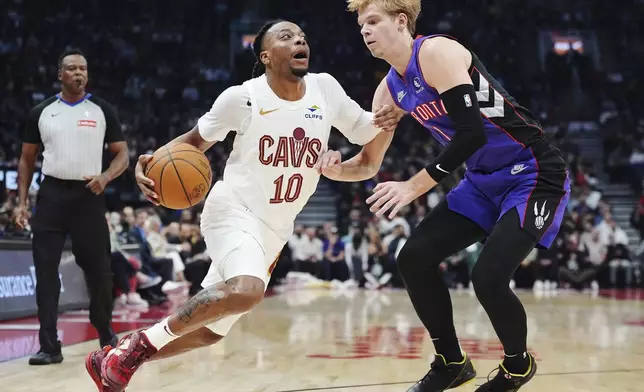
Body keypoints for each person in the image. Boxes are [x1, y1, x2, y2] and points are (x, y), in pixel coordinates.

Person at [84, 20, 401, 392]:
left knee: (208, 334)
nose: (299, 39)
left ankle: (114, 356)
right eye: (286, 36)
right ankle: (138, 345)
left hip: (275, 231)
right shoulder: (243, 97)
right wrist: (150, 161)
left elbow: (368, 133)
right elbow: (190, 146)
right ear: (265, 56)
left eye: (302, 36)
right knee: (248, 290)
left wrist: (399, 102)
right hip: (233, 211)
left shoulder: (325, 89)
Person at [318, 1, 571, 391]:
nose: (364, 31)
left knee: (487, 277)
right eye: (360, 25)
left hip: (533, 170)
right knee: (413, 257)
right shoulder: (388, 91)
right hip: (482, 180)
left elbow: (472, 134)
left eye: (373, 21)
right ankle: (451, 362)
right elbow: (368, 164)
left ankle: (517, 367)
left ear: (401, 21)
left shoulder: (437, 52)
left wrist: (414, 185)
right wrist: (335, 169)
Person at [14, 49, 129, 365]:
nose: (79, 73)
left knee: (101, 272)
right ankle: (49, 346)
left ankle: (105, 335)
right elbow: (25, 160)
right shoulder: (42, 111)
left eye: (83, 69)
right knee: (46, 272)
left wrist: (105, 177)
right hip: (51, 196)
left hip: (89, 195)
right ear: (60, 74)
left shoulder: (103, 110)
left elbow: (122, 155)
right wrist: (23, 203)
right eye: (72, 68)